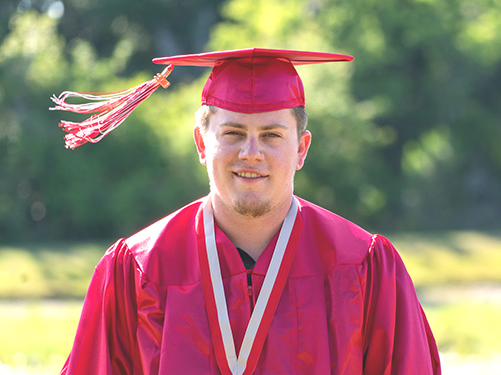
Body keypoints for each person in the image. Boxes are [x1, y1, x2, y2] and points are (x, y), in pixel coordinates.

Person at [53, 48, 441, 374]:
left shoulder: (363, 266)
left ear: (302, 149)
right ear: (202, 144)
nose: (251, 153)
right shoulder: (139, 270)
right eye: (233, 133)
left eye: (271, 135)